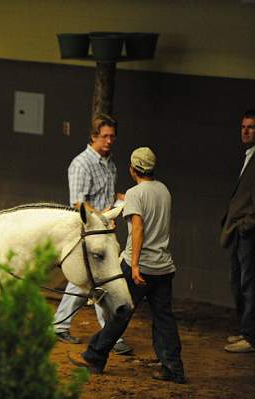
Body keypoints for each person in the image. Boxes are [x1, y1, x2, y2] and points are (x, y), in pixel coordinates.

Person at [69, 147, 186, 384]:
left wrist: (133, 265)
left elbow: (139, 229)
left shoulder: (134, 193)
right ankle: (173, 367)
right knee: (164, 318)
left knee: (119, 313)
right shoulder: (164, 190)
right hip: (163, 267)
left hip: (140, 265)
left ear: (133, 169)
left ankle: (94, 357)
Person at [53, 114, 132, 355]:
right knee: (101, 281)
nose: (109, 141)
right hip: (87, 232)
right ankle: (112, 335)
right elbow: (78, 204)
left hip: (104, 231)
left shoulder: (110, 163)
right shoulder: (81, 164)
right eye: (104, 136)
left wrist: (122, 199)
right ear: (93, 136)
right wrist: (103, 218)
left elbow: (104, 195)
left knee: (82, 282)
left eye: (112, 136)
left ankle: (59, 324)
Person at [220, 110, 255, 353]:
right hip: (239, 231)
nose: (245, 131)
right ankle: (246, 329)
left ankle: (251, 336)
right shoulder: (249, 156)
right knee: (238, 282)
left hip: (248, 232)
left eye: (251, 127)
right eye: (243, 126)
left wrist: (246, 225)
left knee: (249, 284)